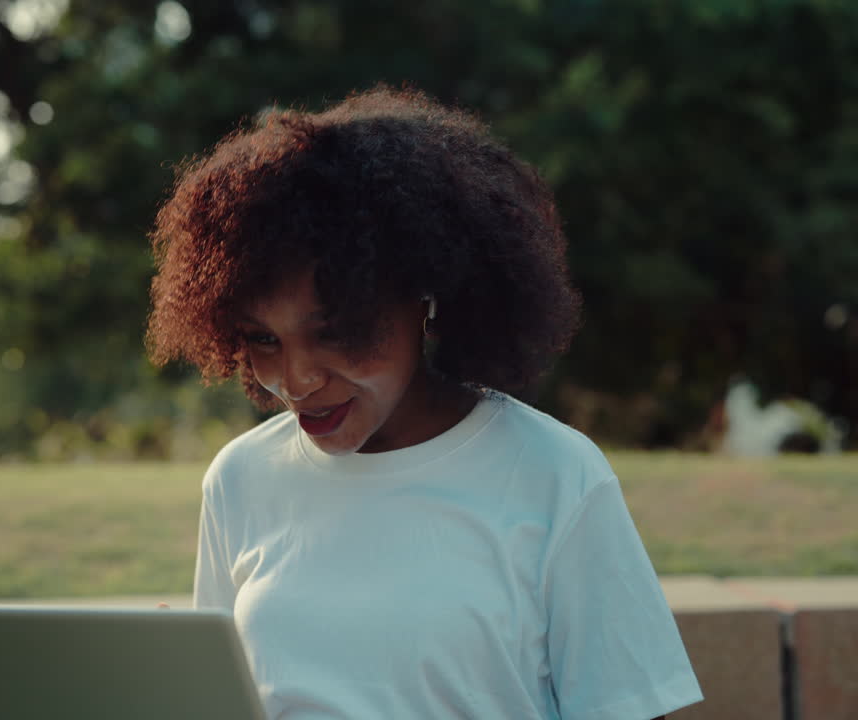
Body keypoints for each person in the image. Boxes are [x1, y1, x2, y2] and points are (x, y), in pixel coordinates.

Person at [144, 85, 702, 719]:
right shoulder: (238, 480)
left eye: (333, 330)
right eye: (262, 339)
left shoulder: (555, 475)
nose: (295, 379)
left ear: (426, 297)